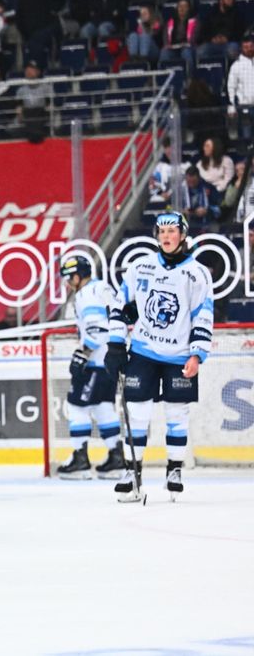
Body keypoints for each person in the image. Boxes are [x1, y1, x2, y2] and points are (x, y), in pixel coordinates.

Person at [111, 212, 214, 501]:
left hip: (179, 356)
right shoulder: (140, 266)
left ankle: (174, 469)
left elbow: (203, 316)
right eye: (162, 231)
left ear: (182, 234)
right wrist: (115, 344)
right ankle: (132, 472)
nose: (167, 236)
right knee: (137, 412)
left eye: (172, 231)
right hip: (143, 351)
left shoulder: (197, 273)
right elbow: (119, 304)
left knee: (176, 413)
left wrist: (197, 355)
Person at [55, 256, 126, 480]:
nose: (67, 283)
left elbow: (97, 328)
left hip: (96, 361)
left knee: (77, 406)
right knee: (103, 407)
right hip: (110, 360)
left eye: (69, 278)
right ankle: (117, 458)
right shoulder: (103, 288)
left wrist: (82, 355)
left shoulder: (86, 294)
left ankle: (80, 459)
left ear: (78, 276)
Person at [228, 35, 254, 152]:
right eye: (246, 47)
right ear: (241, 48)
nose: (249, 49)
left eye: (251, 46)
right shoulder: (236, 66)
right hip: (245, 107)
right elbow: (231, 87)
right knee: (246, 136)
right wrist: (232, 106)